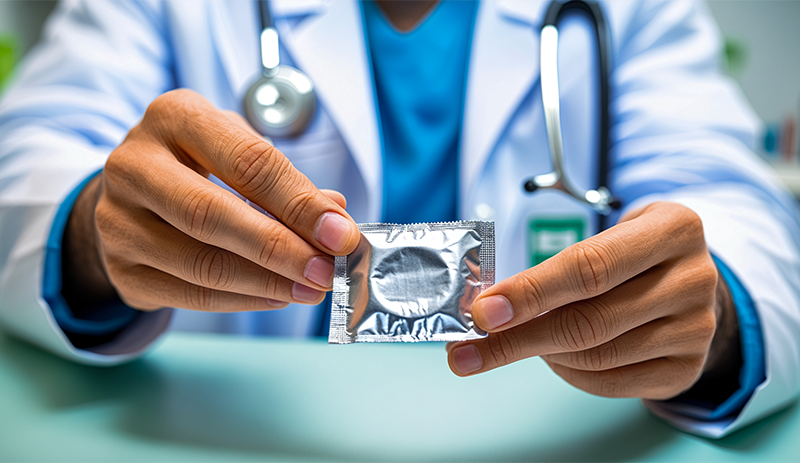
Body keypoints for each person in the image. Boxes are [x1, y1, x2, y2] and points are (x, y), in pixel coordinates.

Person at [0, 0, 798, 439]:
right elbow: (28, 159)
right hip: (228, 441)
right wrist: (90, 230)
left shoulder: (636, 11)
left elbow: (729, 200)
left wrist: (717, 311)